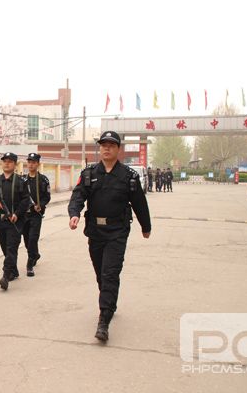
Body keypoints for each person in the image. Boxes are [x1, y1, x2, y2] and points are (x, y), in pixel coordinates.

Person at [68, 131, 151, 342]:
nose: (106, 148)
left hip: (117, 232)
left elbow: (140, 203)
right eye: (103, 145)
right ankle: (109, 301)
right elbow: (78, 196)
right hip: (95, 231)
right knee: (101, 273)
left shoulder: (129, 176)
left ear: (118, 149)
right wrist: (74, 213)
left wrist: (146, 226)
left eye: (111, 145)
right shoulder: (89, 174)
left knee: (110, 273)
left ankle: (104, 319)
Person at [0, 152, 30, 290]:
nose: (7, 163)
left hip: (15, 222)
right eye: (5, 161)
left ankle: (5, 276)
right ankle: (13, 270)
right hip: (0, 221)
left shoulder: (21, 182)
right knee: (5, 247)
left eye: (10, 161)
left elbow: (26, 200)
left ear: (15, 164)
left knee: (11, 248)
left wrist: (17, 213)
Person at [22, 153, 51, 277]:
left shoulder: (43, 180)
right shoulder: (22, 179)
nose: (31, 164)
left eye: (33, 162)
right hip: (24, 215)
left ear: (38, 164)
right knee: (26, 240)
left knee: (33, 238)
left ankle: (29, 265)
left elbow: (47, 197)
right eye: (29, 162)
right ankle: (35, 254)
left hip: (36, 215)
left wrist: (41, 205)